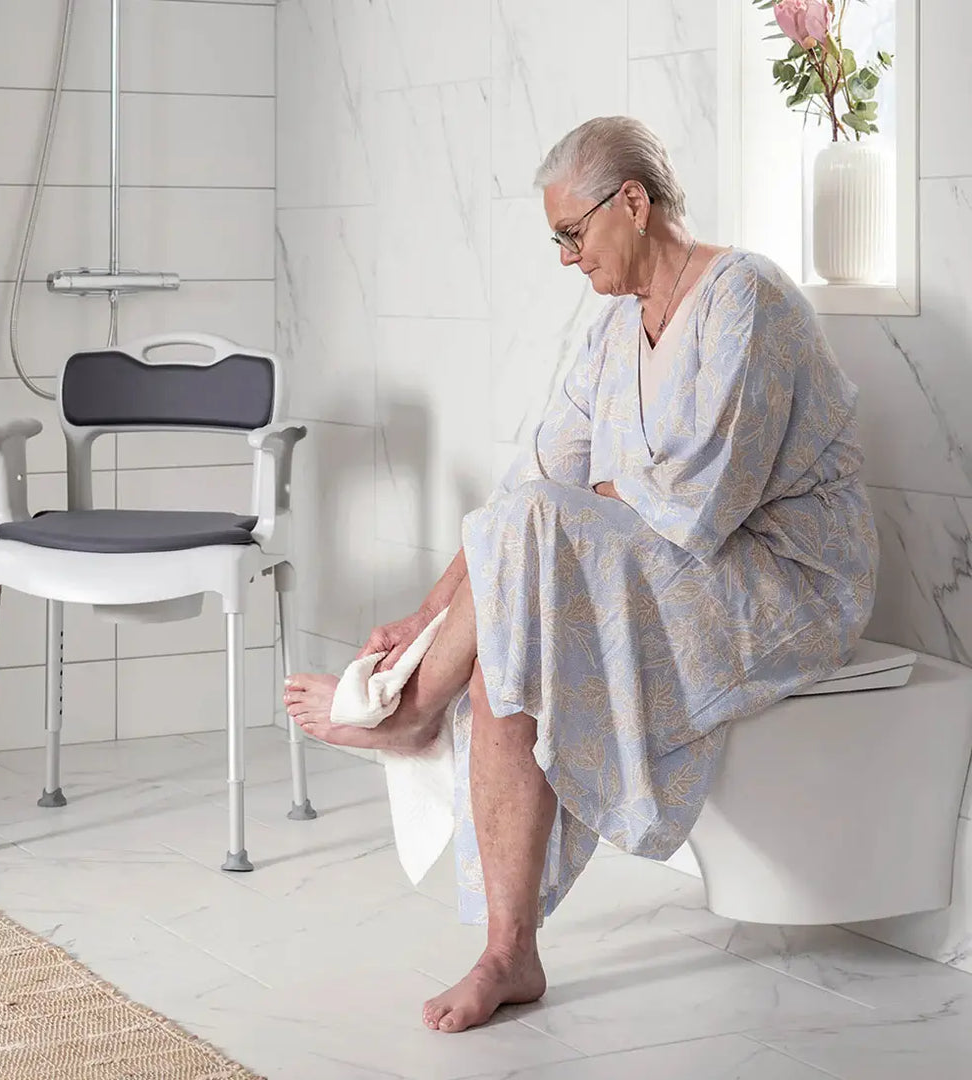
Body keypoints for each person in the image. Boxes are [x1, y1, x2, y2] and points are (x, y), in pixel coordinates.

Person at [282, 116, 878, 1034]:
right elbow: (536, 481)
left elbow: (700, 498)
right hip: (690, 564)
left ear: (631, 203)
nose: (564, 257)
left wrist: (577, 502)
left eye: (570, 233)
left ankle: (407, 714)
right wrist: (428, 610)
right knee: (521, 584)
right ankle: (505, 952)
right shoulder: (611, 333)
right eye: (555, 238)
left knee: (535, 544)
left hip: (789, 582)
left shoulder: (743, 297)